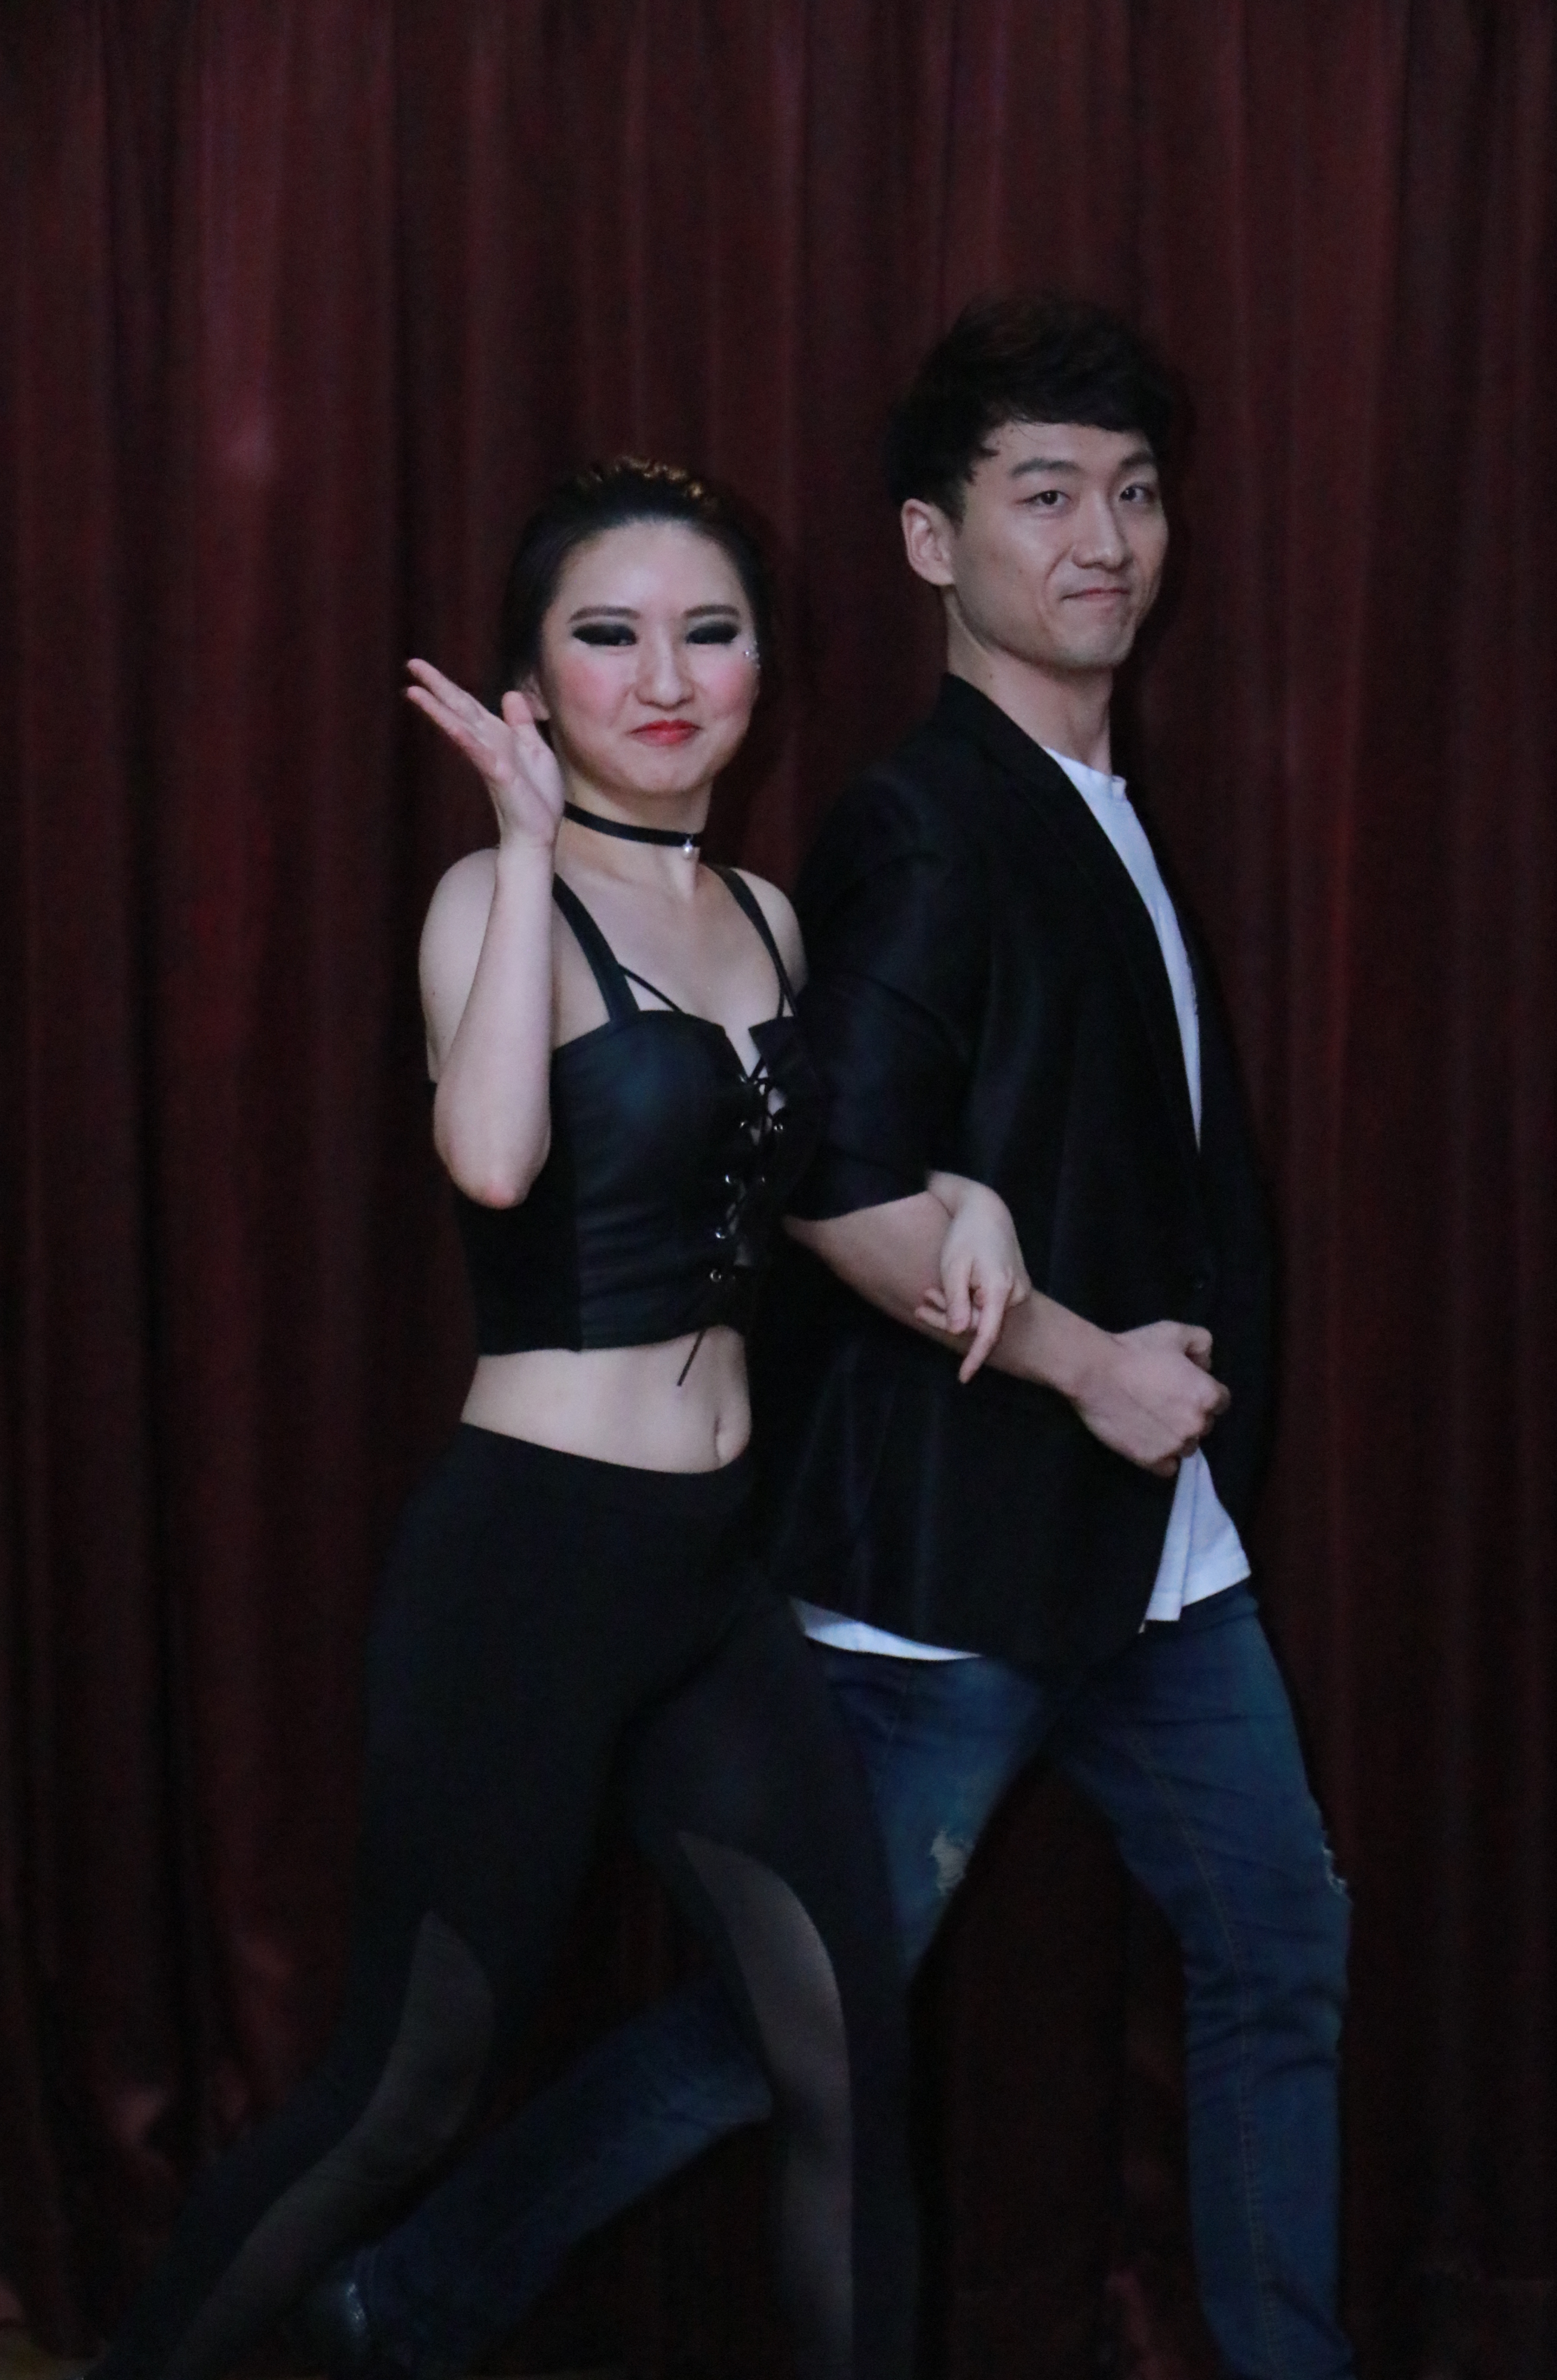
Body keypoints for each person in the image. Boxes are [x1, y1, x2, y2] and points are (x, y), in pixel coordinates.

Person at [301, 302, 1356, 2380]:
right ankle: (402, 2297)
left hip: (1157, 1550)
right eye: (1045, 496)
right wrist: (1081, 1358)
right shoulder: (921, 820)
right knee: (783, 2038)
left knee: (1281, 1946)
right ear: (929, 543)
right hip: (953, 1558)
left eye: (1136, 494)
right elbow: (829, 1178)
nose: (1104, 541)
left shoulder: (1098, 800)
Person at [89, 459, 951, 2380]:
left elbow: (795, 1194)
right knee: (403, 2093)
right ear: (536, 680)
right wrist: (528, 837)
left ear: (764, 666)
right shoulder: (495, 898)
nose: (668, 677)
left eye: (710, 633)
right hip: (531, 1573)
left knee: (843, 2050)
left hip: (714, 1582)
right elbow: (489, 1162)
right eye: (610, 636)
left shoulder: (770, 917)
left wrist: (964, 1217)